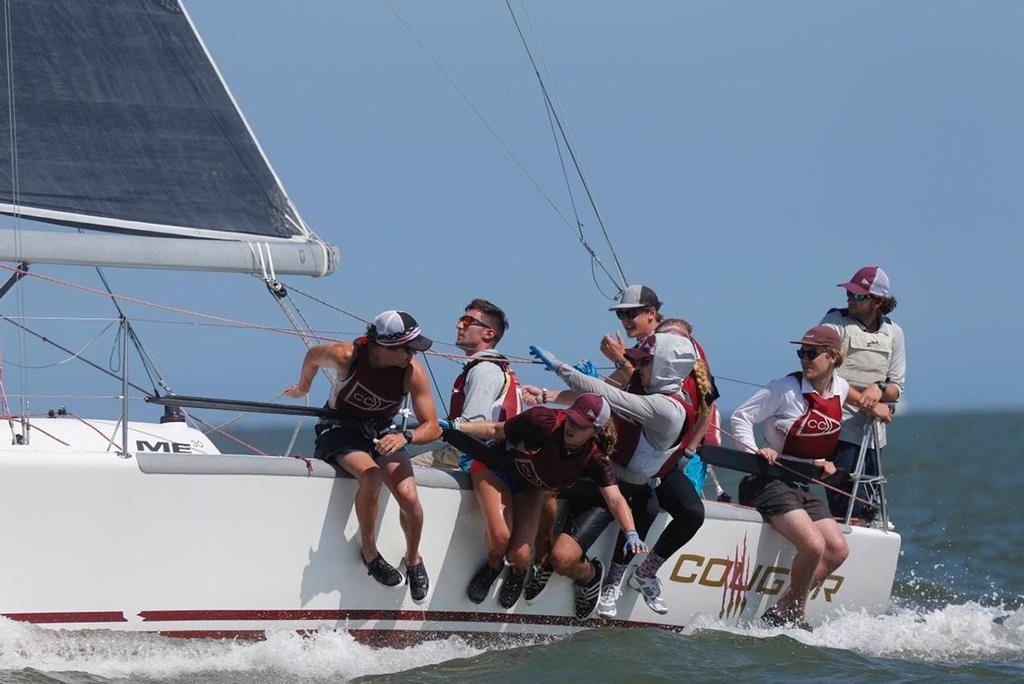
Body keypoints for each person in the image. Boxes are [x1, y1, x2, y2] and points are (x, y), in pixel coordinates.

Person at [526, 332, 705, 618]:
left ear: (666, 368)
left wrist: (560, 367)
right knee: (540, 480)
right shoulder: (645, 386)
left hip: (618, 487)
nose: (639, 368)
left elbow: (611, 396)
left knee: (565, 559)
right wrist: (546, 396)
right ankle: (539, 559)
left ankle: (591, 576)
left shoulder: (668, 410)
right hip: (594, 467)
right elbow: (596, 400)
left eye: (645, 362)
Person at [730, 325, 892, 628]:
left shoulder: (840, 388)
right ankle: (796, 612)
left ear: (832, 357)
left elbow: (852, 399)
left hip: (799, 484)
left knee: (838, 549)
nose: (804, 359)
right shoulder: (784, 388)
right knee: (814, 546)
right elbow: (741, 416)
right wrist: (755, 450)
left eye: (812, 353)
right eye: (801, 352)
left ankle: (783, 608)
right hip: (766, 482)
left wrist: (878, 406)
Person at [284, 310, 441, 604]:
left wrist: (405, 437)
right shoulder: (346, 355)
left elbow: (432, 427)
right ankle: (369, 553)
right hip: (339, 426)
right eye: (408, 348)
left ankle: (414, 558)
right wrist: (303, 387)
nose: (413, 354)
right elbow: (312, 356)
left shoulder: (412, 371)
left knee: (408, 497)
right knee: (371, 476)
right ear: (384, 347)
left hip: (383, 430)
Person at [441, 394, 648, 614]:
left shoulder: (595, 459)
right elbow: (495, 430)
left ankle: (518, 573)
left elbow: (615, 498)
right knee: (500, 537)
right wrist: (457, 426)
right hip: (496, 469)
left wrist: (631, 533)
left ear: (595, 431)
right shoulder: (542, 421)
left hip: (529, 486)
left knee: (520, 556)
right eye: (571, 419)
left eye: (581, 425)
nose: (572, 427)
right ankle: (493, 566)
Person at [444, 299, 536, 606]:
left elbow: (472, 428)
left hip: (492, 456)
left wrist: (436, 428)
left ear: (488, 334)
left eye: (467, 321)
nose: (459, 325)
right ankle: (499, 563)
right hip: (497, 457)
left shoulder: (483, 370)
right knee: (502, 539)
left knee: (516, 550)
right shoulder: (496, 366)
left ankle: (506, 567)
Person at [820, 267, 906, 520]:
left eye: (858, 295)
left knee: (871, 512)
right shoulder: (835, 322)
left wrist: (878, 389)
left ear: (878, 301)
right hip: (837, 429)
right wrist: (868, 403)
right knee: (847, 511)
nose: (849, 298)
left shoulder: (894, 333)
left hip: (872, 439)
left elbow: (896, 388)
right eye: (849, 292)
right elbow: (823, 375)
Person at [599, 284, 663, 388]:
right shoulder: (640, 350)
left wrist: (620, 359)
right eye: (620, 314)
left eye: (631, 313)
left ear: (651, 313)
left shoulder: (665, 343)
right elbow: (601, 391)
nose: (625, 320)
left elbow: (646, 392)